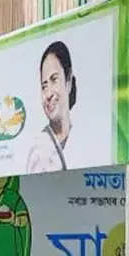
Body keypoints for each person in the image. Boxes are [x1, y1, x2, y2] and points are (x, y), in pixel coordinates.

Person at [27, 41, 77, 173]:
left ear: (68, 81)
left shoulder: (83, 136)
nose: (48, 94)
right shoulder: (37, 149)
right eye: (44, 86)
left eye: (54, 80)